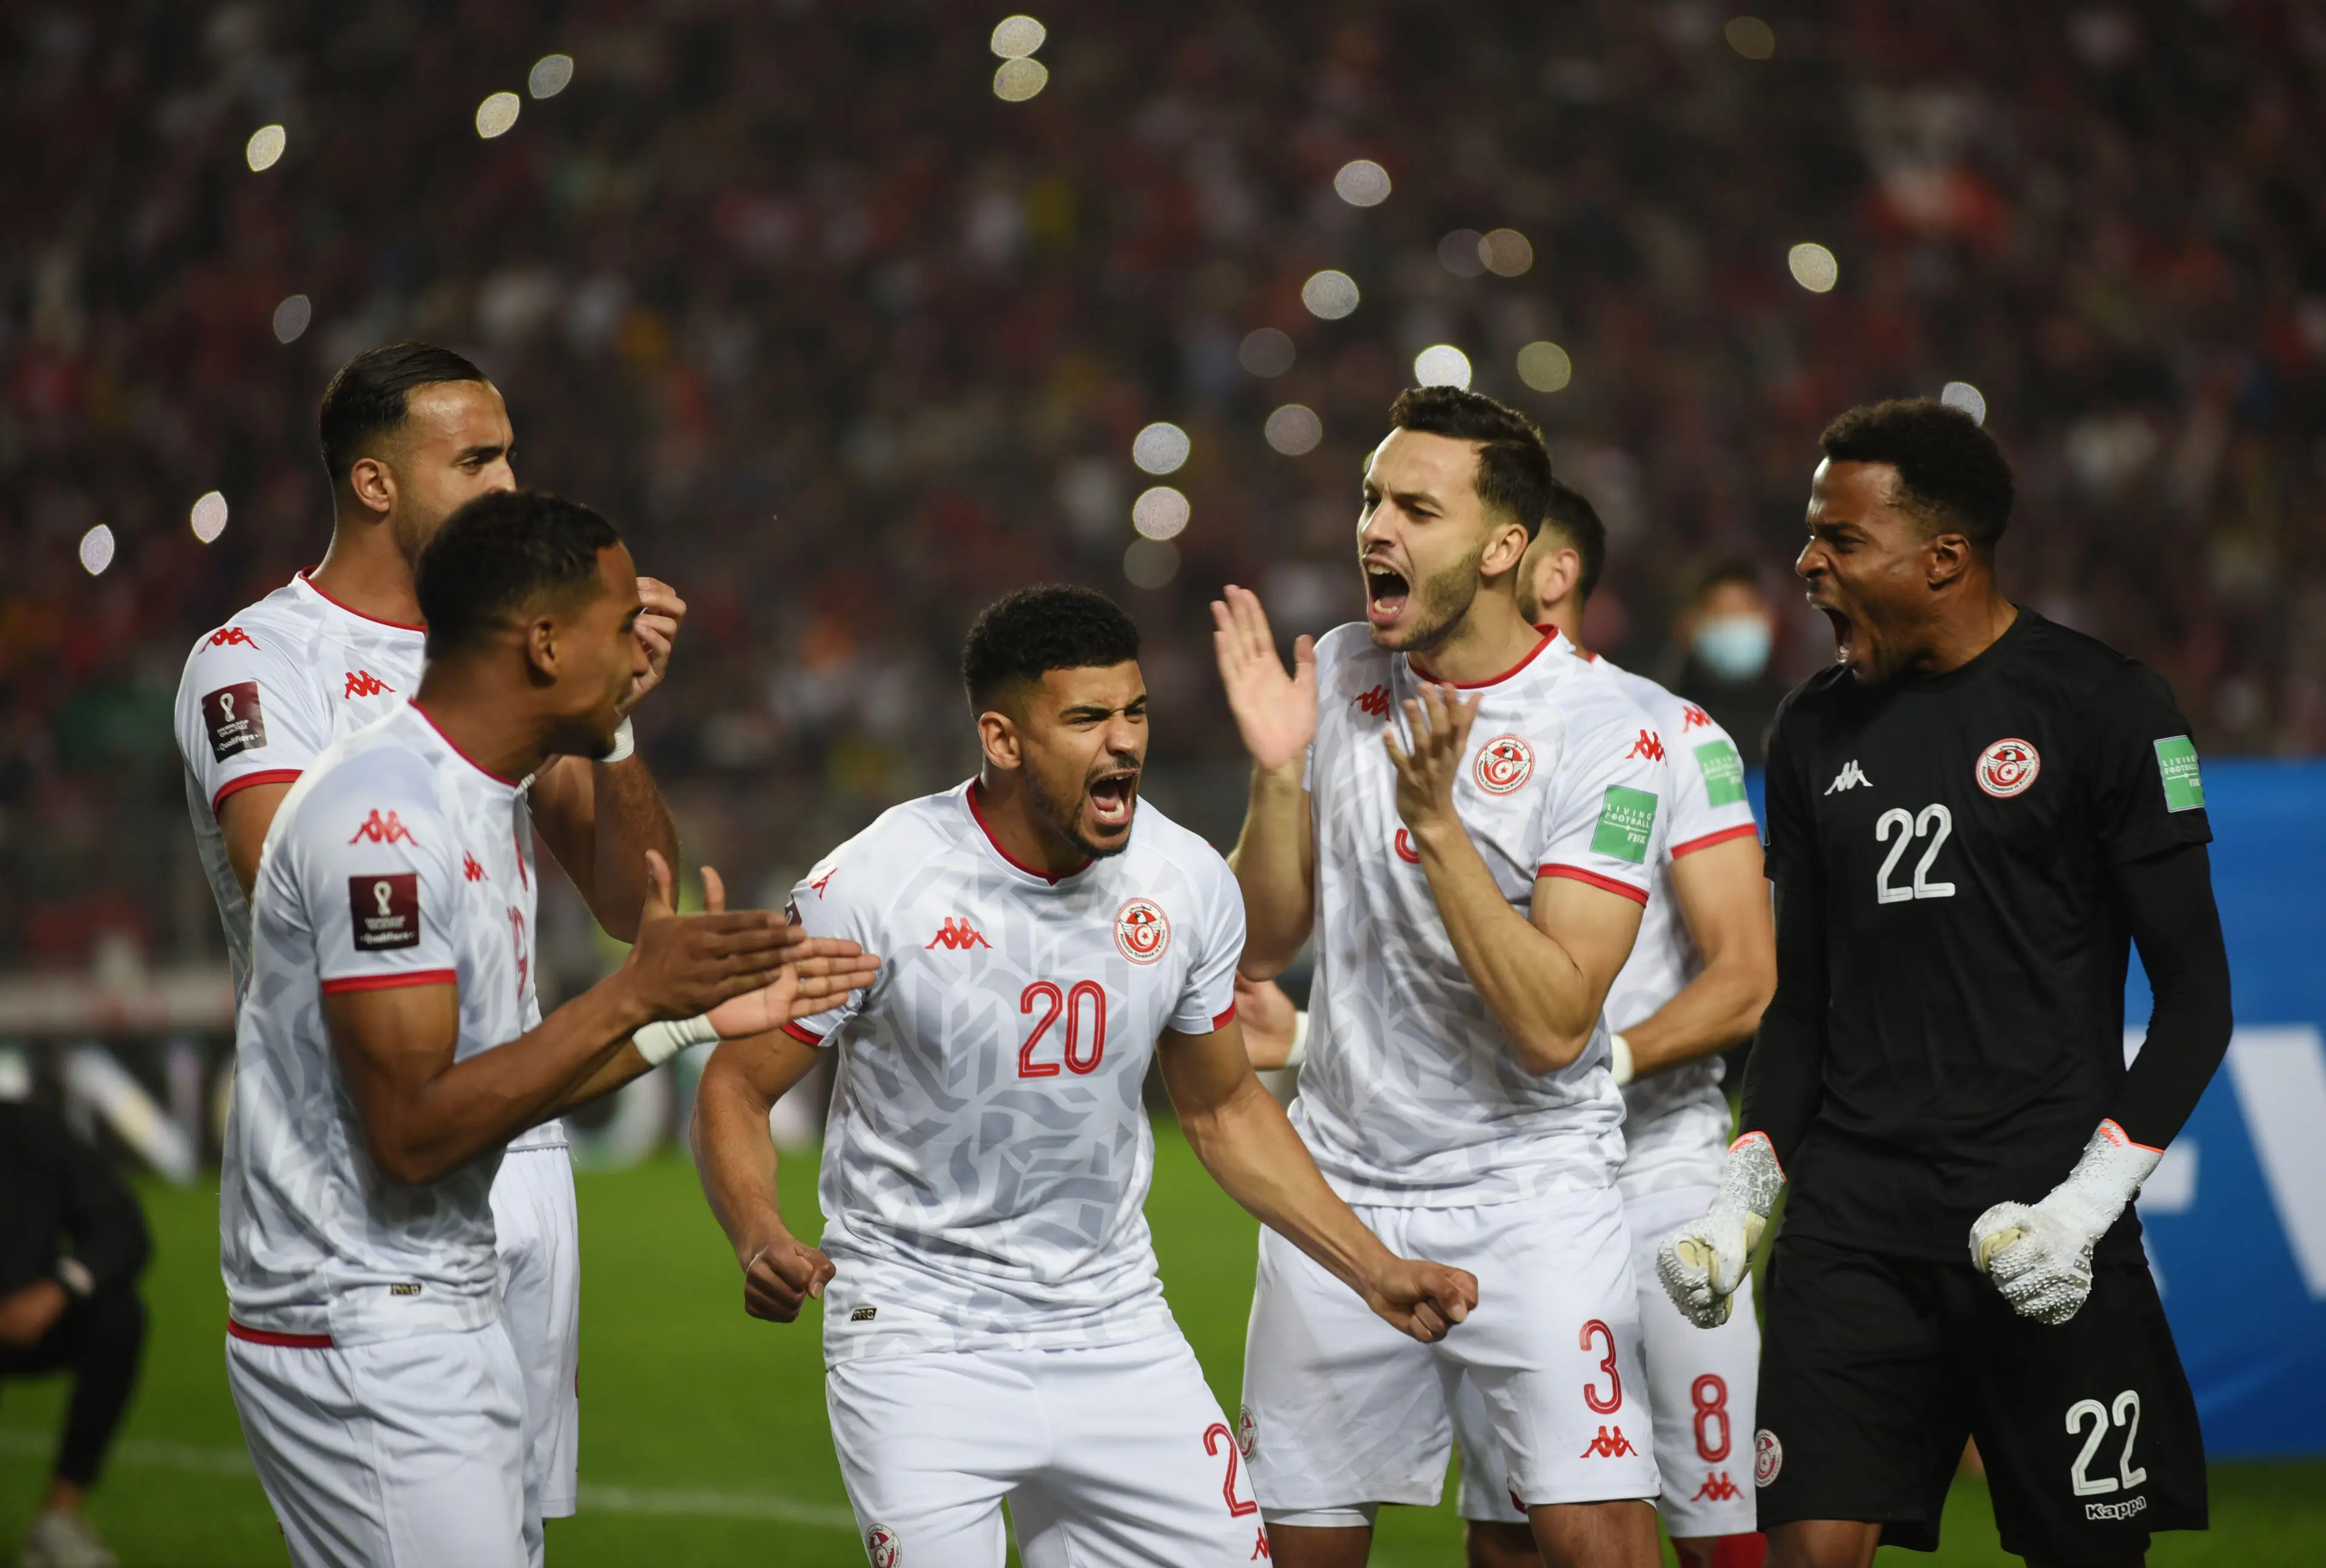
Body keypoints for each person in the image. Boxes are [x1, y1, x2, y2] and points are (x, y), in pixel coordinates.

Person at [690, 584, 1477, 1568]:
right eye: (1087, 717)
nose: (1124, 742)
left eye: (1136, 711)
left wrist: (1374, 1265)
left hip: (1115, 1330)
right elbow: (737, 1083)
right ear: (1004, 736)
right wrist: (758, 1229)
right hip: (921, 1336)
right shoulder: (878, 883)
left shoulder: (1185, 881)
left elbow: (1226, 1105)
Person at [218, 490, 878, 1568]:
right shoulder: (383, 817)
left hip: (438, 1288)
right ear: (543, 642)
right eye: (621, 627)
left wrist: (681, 1020)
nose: (641, 656)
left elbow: (500, 1084)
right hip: (361, 1311)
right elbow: (415, 1132)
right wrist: (630, 996)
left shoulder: (475, 793)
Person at [1658, 400, 2230, 1567]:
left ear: (1946, 557)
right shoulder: (1812, 729)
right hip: (1852, 1225)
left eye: (1840, 539)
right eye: (1810, 534)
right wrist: (1740, 1198)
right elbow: (1803, 1002)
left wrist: (2080, 1211)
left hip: (2040, 1221)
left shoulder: (2106, 708)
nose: (1807, 563)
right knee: (1808, 1550)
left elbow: (2196, 1001)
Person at [170, 342, 688, 1563]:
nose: (510, 483)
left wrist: (612, 721)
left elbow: (627, 895)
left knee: (503, 1536)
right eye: (477, 458)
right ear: (376, 483)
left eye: (511, 452)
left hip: (520, 1144)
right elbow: (294, 887)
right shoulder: (257, 662)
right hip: (368, 1148)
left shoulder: (518, 656)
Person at [1241, 477, 1778, 1568]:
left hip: (1643, 1168)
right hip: (1460, 1163)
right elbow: (1326, 953)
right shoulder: (1362, 690)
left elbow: (1748, 978)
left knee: (1711, 1518)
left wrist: (1605, 1055)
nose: (1386, 532)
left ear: (1540, 565)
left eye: (1425, 513)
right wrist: (1304, 1041)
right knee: (1507, 1530)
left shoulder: (1665, 732)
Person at [0, 1097, 151, 1568]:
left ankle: (58, 1520)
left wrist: (59, 1289)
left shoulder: (27, 1130)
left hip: (22, 1320)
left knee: (117, 1316)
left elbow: (125, 1227)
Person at [1661, 564, 1788, 766]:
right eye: (1721, 613)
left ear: (1771, 621)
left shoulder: (1797, 719)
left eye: (1745, 611)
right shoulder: (1664, 723)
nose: (1734, 624)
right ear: (1686, 627)